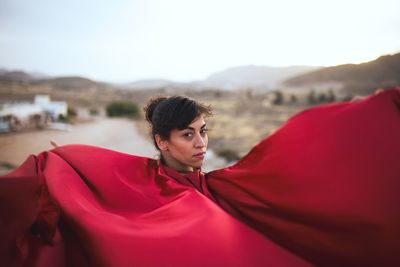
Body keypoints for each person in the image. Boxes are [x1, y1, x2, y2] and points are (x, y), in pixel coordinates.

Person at [1, 88, 400, 267]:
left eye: (203, 131)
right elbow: (66, 169)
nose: (200, 143)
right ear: (161, 141)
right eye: (187, 134)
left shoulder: (222, 187)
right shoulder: (140, 180)